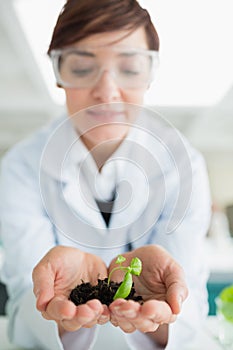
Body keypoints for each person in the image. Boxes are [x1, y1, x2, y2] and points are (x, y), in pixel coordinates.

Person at [0, 0, 211, 349]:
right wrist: (57, 307)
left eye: (129, 68)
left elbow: (188, 308)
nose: (107, 91)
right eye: (82, 68)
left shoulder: (183, 166)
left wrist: (160, 314)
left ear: (150, 74)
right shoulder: (22, 167)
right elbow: (24, 309)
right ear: (58, 74)